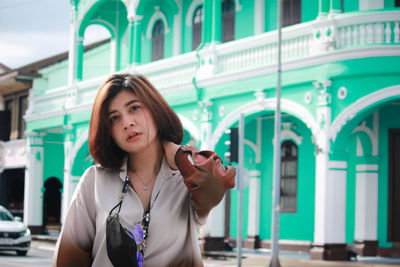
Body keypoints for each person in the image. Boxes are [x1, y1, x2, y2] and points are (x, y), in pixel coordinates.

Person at [53, 73, 235, 267]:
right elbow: (68, 259)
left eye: (134, 108)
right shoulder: (95, 181)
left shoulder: (187, 179)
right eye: (115, 118)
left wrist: (177, 153)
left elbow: (216, 182)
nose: (127, 123)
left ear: (155, 110)